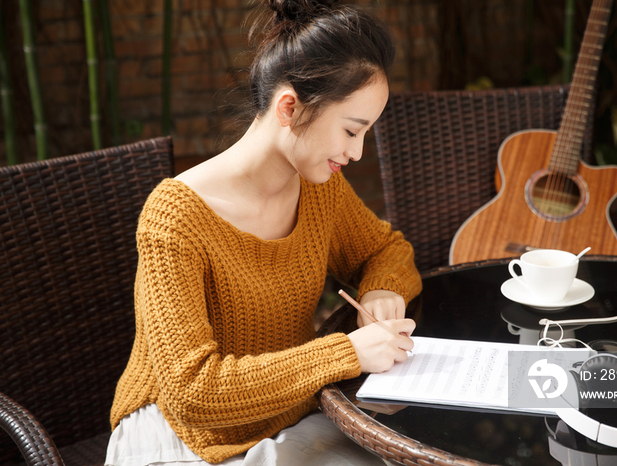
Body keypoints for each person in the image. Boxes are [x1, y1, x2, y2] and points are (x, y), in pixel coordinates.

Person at [105, 0, 422, 465]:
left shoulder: (320, 189)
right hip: (179, 434)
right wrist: (345, 353)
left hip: (285, 409)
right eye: (352, 131)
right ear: (290, 108)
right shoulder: (174, 218)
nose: (356, 153)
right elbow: (194, 392)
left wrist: (380, 291)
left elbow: (386, 249)